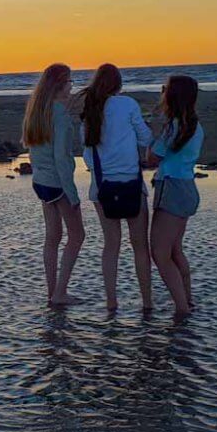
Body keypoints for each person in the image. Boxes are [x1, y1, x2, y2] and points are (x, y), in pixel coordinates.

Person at [79, 63, 154, 313]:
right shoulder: (129, 105)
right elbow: (145, 138)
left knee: (111, 245)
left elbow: (88, 157)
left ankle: (111, 302)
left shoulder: (90, 110)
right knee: (140, 246)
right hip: (132, 185)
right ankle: (147, 302)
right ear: (119, 84)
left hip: (102, 189)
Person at [23, 63, 85, 306]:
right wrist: (72, 194)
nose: (72, 88)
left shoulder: (37, 111)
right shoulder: (60, 115)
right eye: (70, 82)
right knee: (77, 235)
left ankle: (52, 292)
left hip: (41, 182)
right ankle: (60, 293)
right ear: (61, 86)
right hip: (56, 184)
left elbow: (32, 151)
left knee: (53, 237)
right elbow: (61, 157)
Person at [146, 75, 203, 318]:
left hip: (171, 189)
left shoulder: (173, 127)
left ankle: (181, 308)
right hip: (188, 188)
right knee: (175, 249)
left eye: (165, 90)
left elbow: (152, 158)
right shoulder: (195, 125)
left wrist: (151, 137)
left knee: (159, 253)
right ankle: (187, 300)